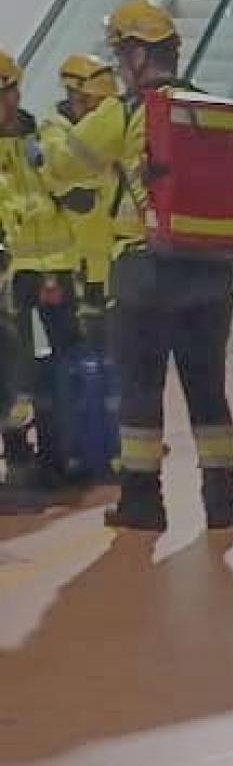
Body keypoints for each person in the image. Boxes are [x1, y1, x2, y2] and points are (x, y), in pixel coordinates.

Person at [53, 0, 233, 530]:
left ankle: (142, 500)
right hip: (214, 268)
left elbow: (66, 163)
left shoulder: (124, 111)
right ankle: (223, 498)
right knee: (208, 386)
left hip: (146, 269)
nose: (118, 64)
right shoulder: (211, 107)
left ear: (138, 53)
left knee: (141, 387)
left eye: (120, 52)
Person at [0, 48, 79, 486]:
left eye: (5, 92)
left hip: (56, 266)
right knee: (13, 369)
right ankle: (17, 455)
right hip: (8, 274)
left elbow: (67, 193)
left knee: (69, 358)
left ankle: (61, 448)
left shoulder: (42, 137)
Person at [40, 54, 120, 347]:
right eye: (89, 102)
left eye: (100, 104)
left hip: (105, 264)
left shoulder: (103, 130)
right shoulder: (53, 135)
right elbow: (70, 186)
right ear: (72, 93)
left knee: (109, 350)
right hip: (68, 267)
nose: (95, 111)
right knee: (72, 350)